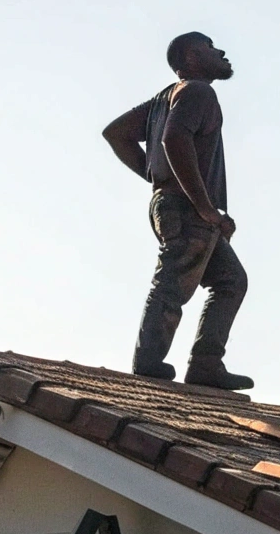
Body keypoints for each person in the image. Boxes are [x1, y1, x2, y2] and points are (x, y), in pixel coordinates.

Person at [101, 32, 253, 390]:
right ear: (191, 57)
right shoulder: (197, 91)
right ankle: (148, 363)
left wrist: (158, 177)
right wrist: (202, 205)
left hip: (179, 205)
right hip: (188, 209)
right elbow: (174, 139)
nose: (222, 51)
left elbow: (116, 133)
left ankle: (205, 364)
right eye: (211, 47)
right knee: (173, 282)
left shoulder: (164, 99)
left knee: (231, 281)